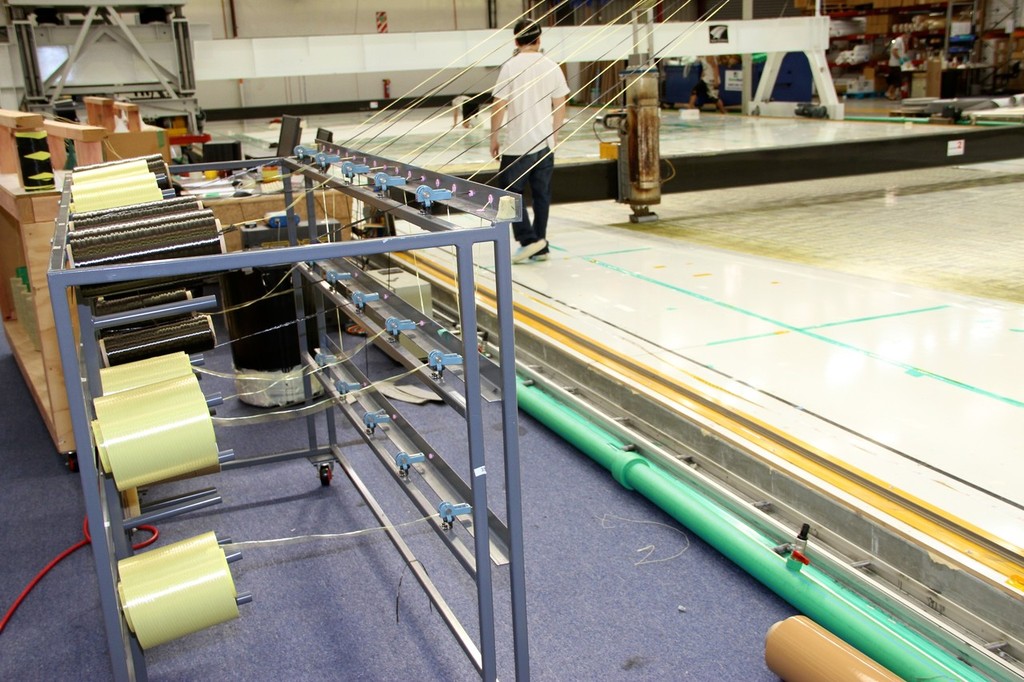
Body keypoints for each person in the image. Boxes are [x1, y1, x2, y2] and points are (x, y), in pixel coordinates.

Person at [490, 20, 570, 263]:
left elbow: (499, 106)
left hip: (517, 144)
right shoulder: (551, 66)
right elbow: (561, 104)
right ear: (539, 40)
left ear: (516, 41)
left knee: (507, 192)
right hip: (544, 144)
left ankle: (529, 240)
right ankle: (541, 246)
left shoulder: (510, 67)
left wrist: (494, 137)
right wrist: (554, 135)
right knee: (541, 195)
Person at [886, 32, 910, 101]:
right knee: (895, 81)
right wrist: (900, 59)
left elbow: (903, 52)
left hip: (899, 64)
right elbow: (894, 51)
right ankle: (889, 93)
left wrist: (905, 59)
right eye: (908, 36)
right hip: (895, 64)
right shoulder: (898, 40)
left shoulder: (903, 41)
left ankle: (893, 94)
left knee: (898, 81)